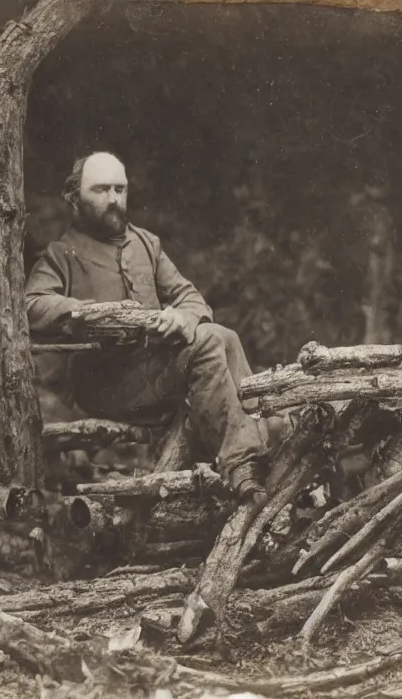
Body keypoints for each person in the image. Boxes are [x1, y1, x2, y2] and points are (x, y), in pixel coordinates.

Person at [25, 151, 276, 503]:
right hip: (106, 386)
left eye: (120, 189)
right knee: (207, 343)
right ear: (74, 197)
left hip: (153, 375)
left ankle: (260, 455)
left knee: (223, 336)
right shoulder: (60, 254)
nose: (114, 200)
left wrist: (182, 318)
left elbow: (191, 298)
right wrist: (91, 313)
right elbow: (33, 303)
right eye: (101, 190)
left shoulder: (146, 244)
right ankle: (243, 464)